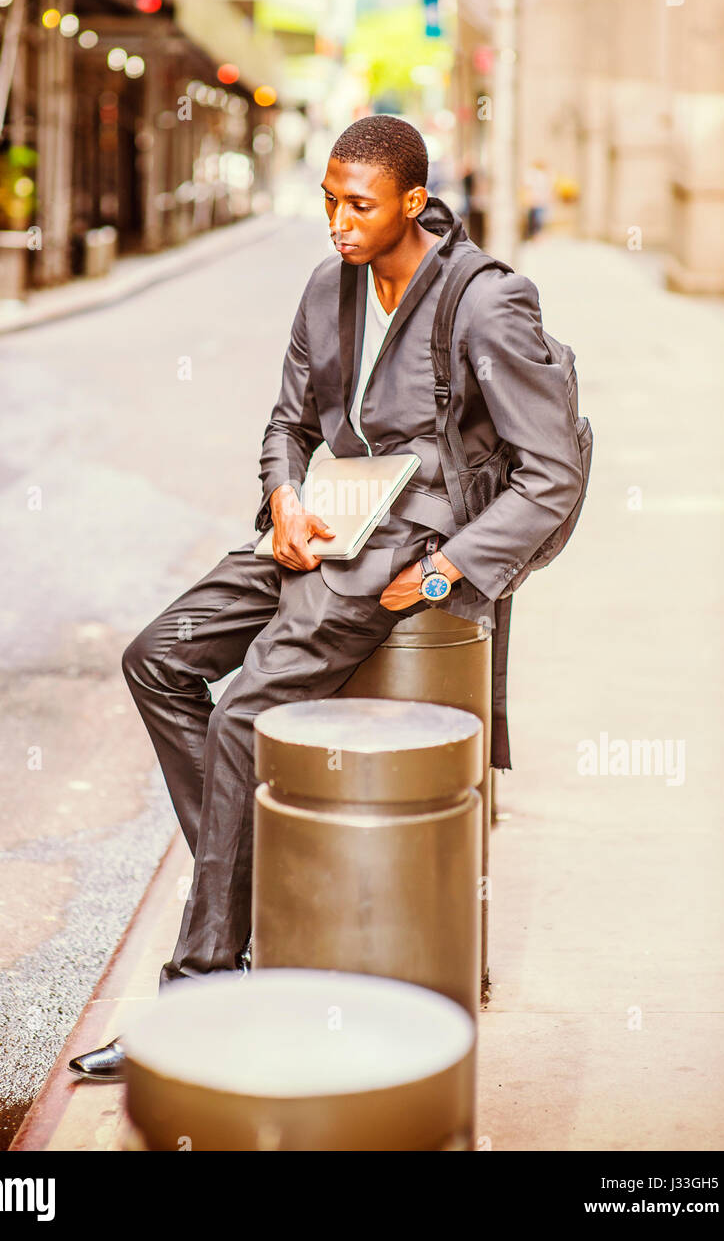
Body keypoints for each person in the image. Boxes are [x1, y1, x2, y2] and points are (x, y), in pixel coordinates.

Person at [68, 115, 584, 1081]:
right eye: (329, 203)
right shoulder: (325, 286)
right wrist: (283, 496)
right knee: (160, 656)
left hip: (405, 540)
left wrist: (444, 571)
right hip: (320, 523)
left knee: (243, 720)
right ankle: (251, 876)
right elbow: (286, 420)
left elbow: (548, 474)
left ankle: (205, 982)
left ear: (413, 204)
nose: (339, 224)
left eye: (360, 206)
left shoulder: (485, 305)